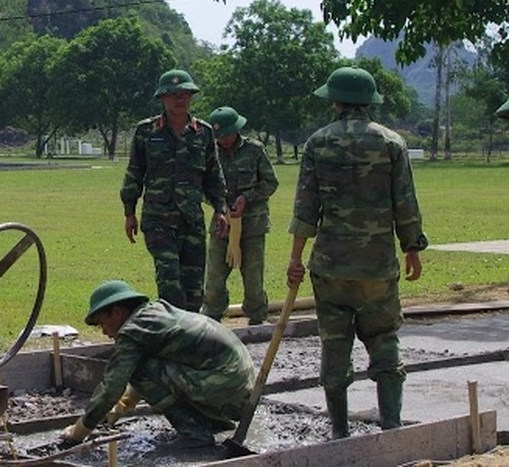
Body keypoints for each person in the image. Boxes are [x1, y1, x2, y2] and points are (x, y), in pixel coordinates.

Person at [286, 66, 427, 439]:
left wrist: (296, 257)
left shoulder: (318, 143)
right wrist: (412, 248)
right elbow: (405, 203)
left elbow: (305, 207)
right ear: (369, 102)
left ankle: (339, 432)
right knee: (384, 342)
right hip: (377, 268)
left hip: (330, 267)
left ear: (335, 101)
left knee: (335, 346)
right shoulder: (391, 143)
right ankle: (392, 427)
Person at [60, 280, 254, 449]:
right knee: (145, 367)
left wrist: (79, 432)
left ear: (118, 312)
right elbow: (154, 372)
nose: (103, 332)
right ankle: (214, 422)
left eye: (103, 323)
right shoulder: (154, 314)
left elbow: (112, 387)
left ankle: (194, 433)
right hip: (238, 387)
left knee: (138, 368)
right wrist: (117, 411)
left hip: (227, 387)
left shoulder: (133, 330)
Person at [120, 69, 227, 312]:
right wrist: (129, 212)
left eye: (185, 94)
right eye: (174, 94)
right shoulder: (146, 131)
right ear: (162, 98)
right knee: (169, 281)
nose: (180, 99)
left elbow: (213, 174)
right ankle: (171, 336)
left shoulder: (204, 133)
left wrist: (221, 209)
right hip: (158, 219)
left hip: (191, 220)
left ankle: (188, 340)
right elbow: (134, 172)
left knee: (193, 288)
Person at [200, 106, 279, 326]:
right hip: (222, 226)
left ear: (236, 130)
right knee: (214, 279)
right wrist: (221, 206)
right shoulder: (209, 152)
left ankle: (256, 319)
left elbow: (271, 183)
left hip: (253, 226)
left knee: (254, 280)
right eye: (218, 136)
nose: (222, 139)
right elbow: (201, 187)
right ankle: (212, 320)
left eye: (226, 134)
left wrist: (247, 198)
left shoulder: (254, 150)